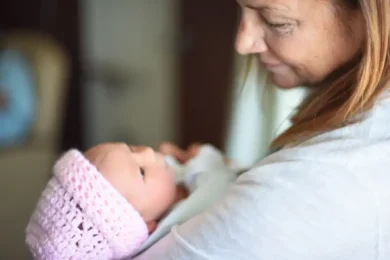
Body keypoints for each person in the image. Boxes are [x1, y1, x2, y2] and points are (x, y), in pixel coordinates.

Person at [132, 0, 390, 259]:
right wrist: (223, 181)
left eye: (278, 22)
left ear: (370, 16)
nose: (242, 43)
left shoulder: (316, 182)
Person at [25, 143, 241, 259]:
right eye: (141, 172)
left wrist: (178, 157)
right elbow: (221, 179)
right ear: (144, 227)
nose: (147, 151)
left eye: (131, 149)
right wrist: (202, 157)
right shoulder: (184, 221)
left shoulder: (163, 191)